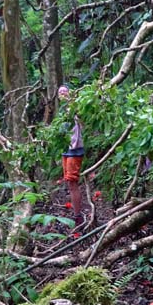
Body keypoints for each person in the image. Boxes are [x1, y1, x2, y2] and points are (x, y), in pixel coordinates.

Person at [58, 85, 84, 227]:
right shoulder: (61, 113)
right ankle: (76, 212)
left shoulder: (75, 108)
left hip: (75, 149)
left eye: (64, 91)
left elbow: (82, 121)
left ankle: (78, 216)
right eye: (60, 92)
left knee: (72, 183)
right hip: (65, 150)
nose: (62, 94)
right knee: (69, 182)